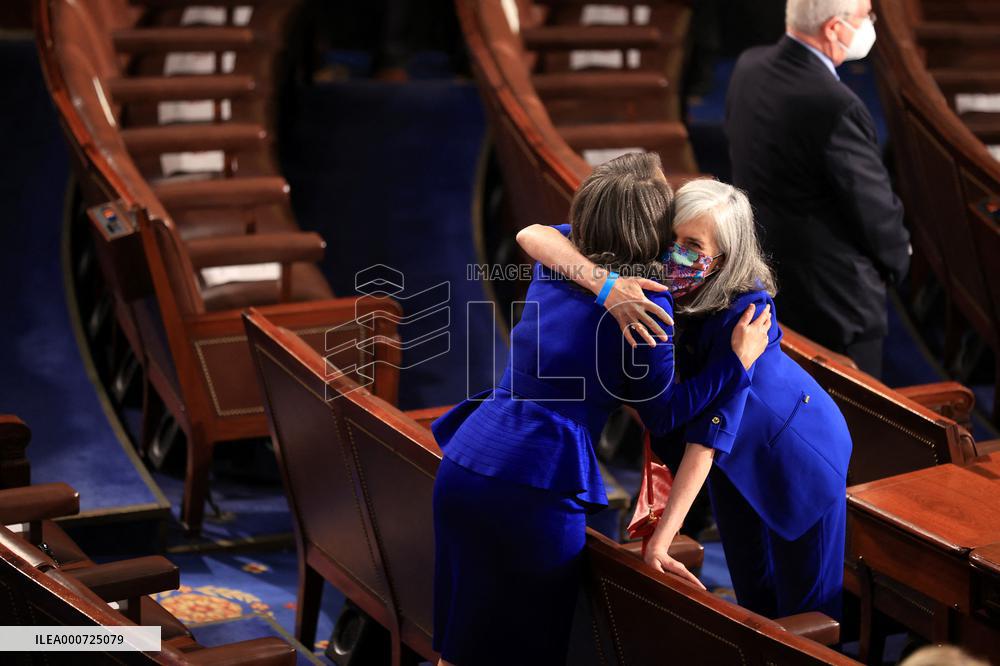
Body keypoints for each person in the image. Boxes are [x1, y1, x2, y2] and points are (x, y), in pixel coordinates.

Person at [430, 154, 772, 666]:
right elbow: (665, 415)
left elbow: (533, 233)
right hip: (534, 487)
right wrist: (735, 364)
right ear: (653, 230)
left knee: (462, 647)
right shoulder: (648, 316)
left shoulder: (564, 261)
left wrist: (604, 284)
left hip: (466, 462)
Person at [517, 177, 853, 620]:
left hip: (797, 455)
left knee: (806, 614)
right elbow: (534, 235)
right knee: (754, 601)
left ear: (722, 260)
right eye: (671, 236)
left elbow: (710, 434)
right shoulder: (657, 279)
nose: (673, 252)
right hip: (731, 466)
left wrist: (662, 536)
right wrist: (605, 286)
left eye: (691, 244)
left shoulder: (748, 315)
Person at [724, 0, 911, 377]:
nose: (870, 24)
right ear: (834, 28)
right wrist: (899, 260)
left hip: (766, 273)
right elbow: (874, 211)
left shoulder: (749, 65)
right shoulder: (837, 105)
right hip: (833, 302)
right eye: (864, 17)